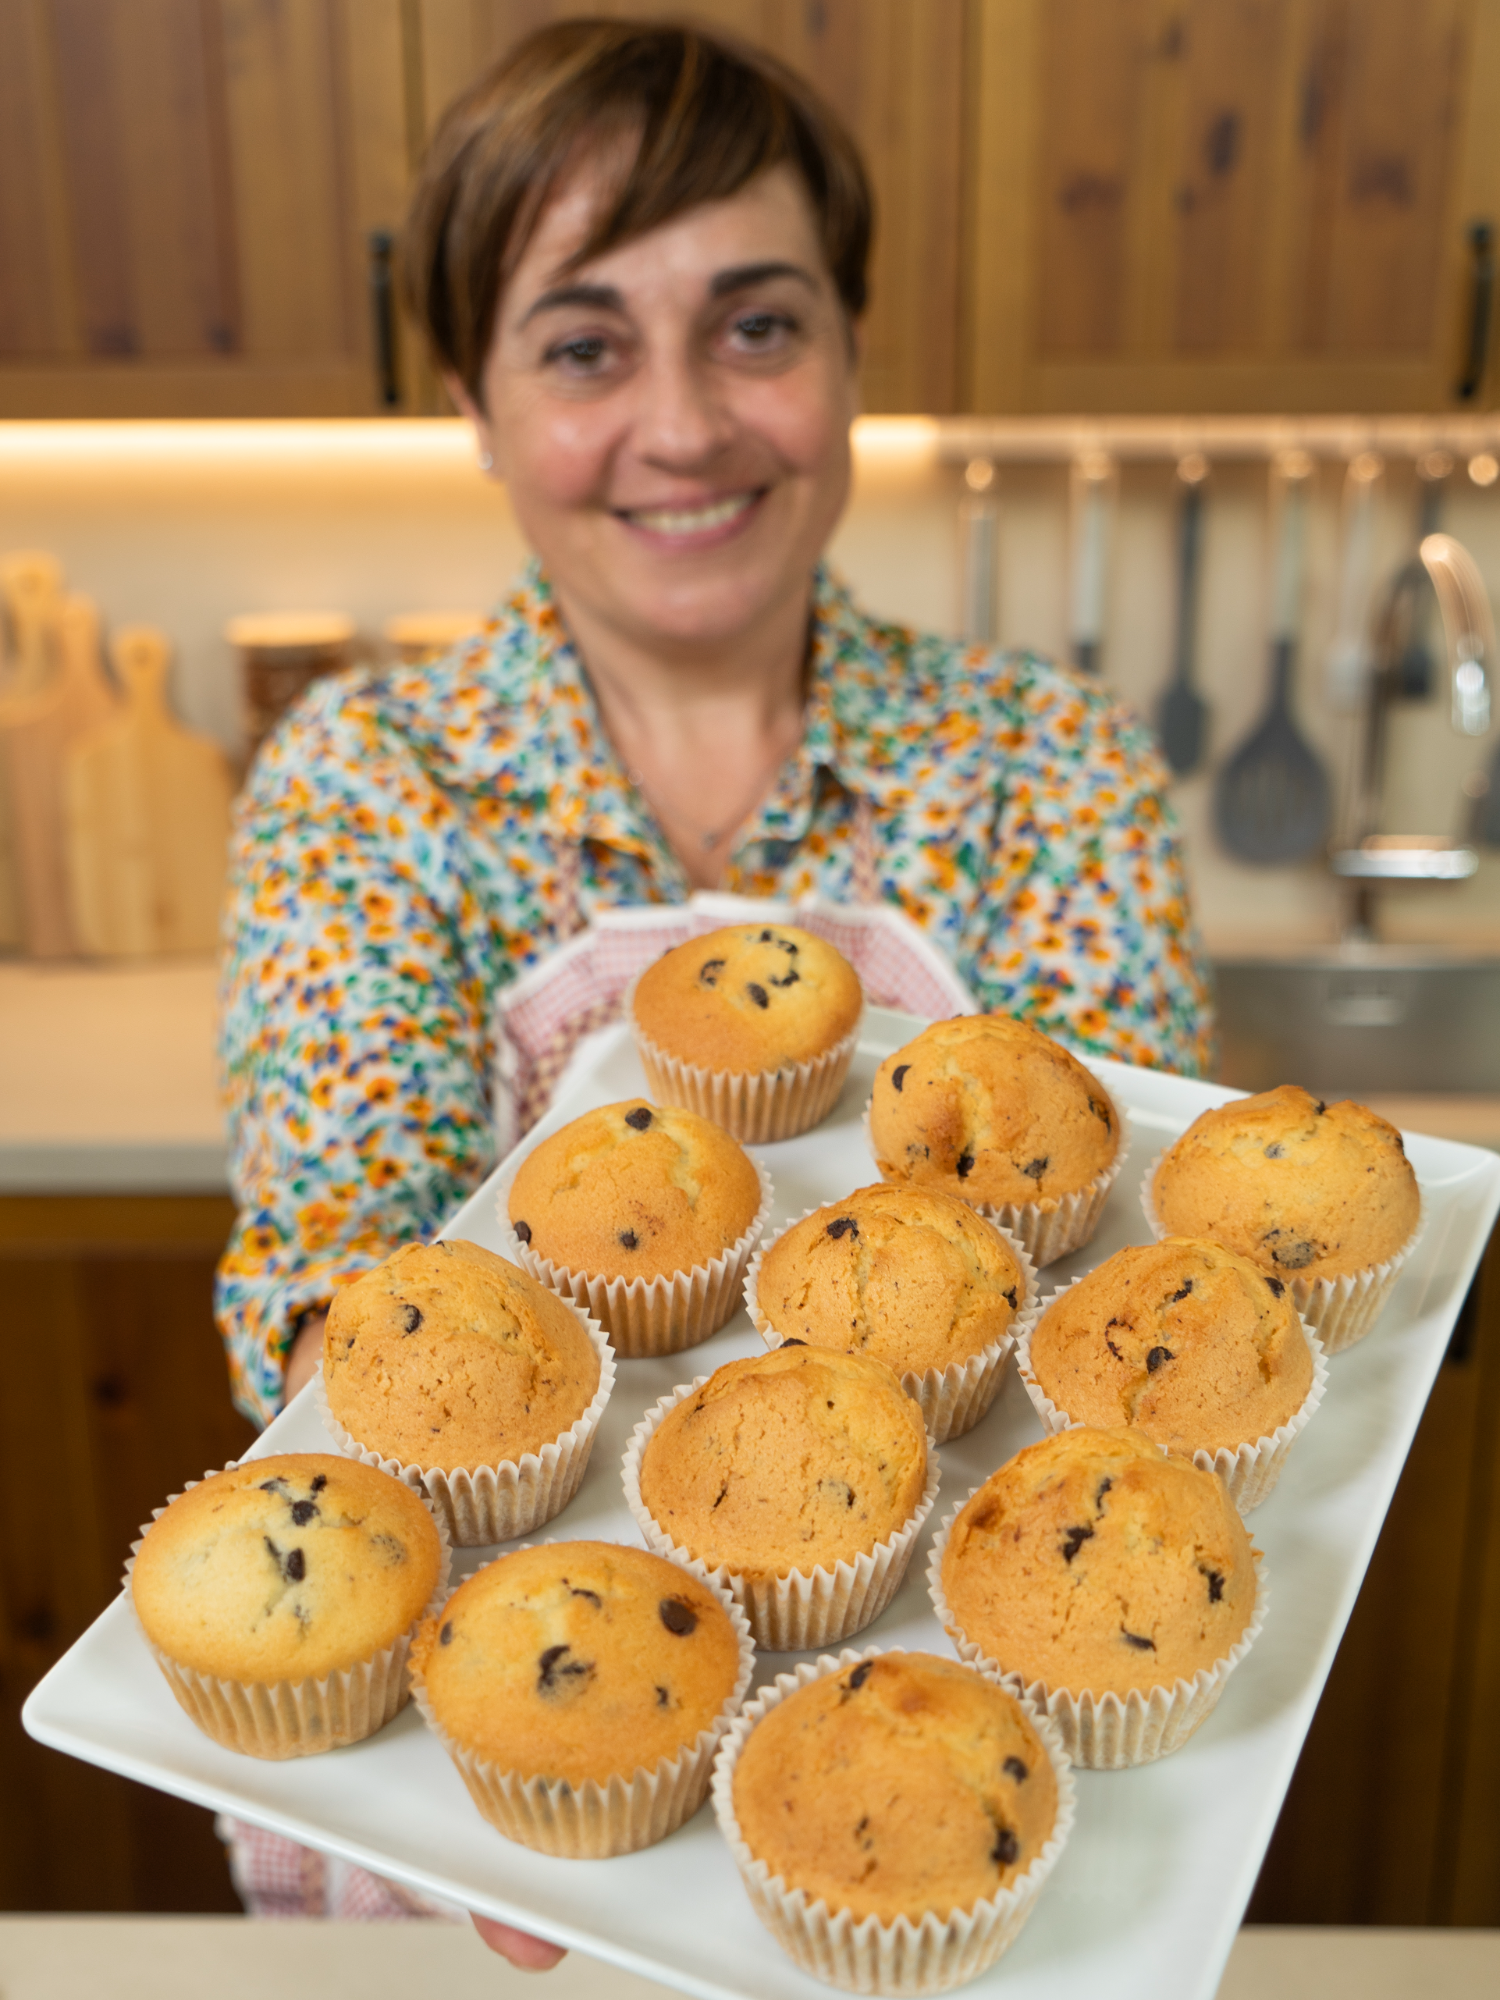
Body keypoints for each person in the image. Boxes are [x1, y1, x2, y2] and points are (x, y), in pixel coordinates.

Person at [213, 15, 1211, 1964]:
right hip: (485, 1788)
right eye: (584, 345)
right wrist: (547, 1715)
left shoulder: (1045, 767)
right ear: (476, 405)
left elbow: (1139, 1319)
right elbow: (340, 1267)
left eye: (757, 325)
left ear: (848, 354)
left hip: (955, 1772)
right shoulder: (368, 779)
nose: (682, 424)